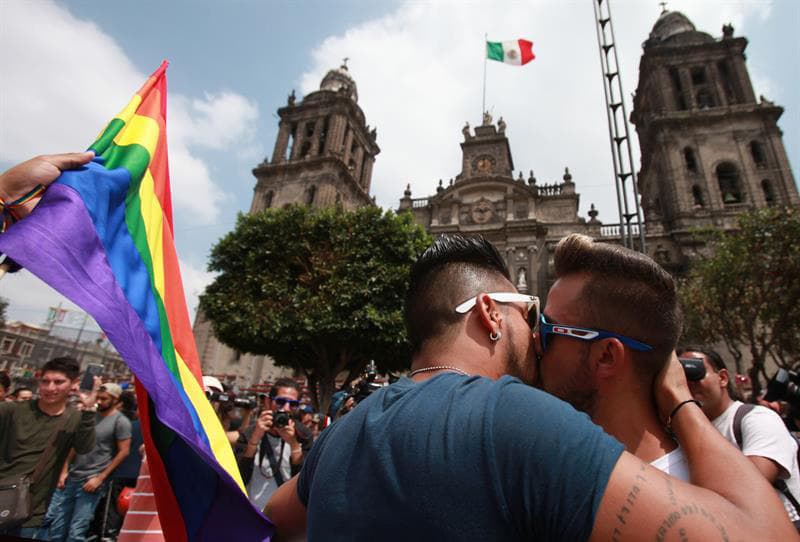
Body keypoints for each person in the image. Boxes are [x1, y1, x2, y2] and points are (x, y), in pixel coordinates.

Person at [265, 234, 794, 540]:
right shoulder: (514, 419)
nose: (540, 339)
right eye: (533, 316)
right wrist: (680, 398)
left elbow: (270, 519)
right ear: (491, 313)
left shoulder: (344, 432)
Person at [535, 234, 688, 480]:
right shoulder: (557, 471)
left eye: (546, 330)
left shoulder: (684, 496)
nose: (535, 343)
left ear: (606, 356)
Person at [681, 345, 800, 528]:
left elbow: (751, 486)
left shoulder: (756, 418)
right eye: (681, 378)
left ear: (722, 378)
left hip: (779, 530)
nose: (689, 384)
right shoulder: (679, 433)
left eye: (695, 374)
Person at [0, 357, 97, 539]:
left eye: (59, 382)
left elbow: (85, 448)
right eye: (45, 381)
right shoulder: (12, 410)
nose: (50, 388)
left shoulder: (75, 418)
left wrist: (89, 408)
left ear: (74, 384)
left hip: (28, 512)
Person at [46, 382, 132, 541]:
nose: (100, 401)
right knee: (57, 526)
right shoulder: (89, 417)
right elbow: (75, 445)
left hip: (91, 481)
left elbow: (124, 451)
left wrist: (100, 477)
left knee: (77, 529)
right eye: (98, 397)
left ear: (115, 399)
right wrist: (64, 470)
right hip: (72, 477)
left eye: (104, 398)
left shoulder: (121, 422)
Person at [237, 377, 304, 510]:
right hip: (252, 514)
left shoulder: (303, 435)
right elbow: (239, 477)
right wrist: (255, 439)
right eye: (280, 402)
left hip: (283, 519)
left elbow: (303, 483)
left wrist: (294, 444)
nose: (286, 408)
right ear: (268, 402)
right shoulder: (250, 433)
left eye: (293, 404)